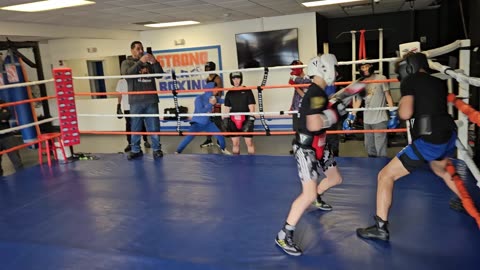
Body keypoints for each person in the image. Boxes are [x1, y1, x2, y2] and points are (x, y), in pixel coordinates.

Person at [356, 52, 460, 241]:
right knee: (441, 169)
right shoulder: (438, 82)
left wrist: (400, 108)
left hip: (430, 139)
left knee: (385, 175)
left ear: (408, 67)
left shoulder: (410, 81)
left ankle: (380, 227)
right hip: (449, 133)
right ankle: (464, 199)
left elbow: (405, 113)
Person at [275, 54, 363, 256]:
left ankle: (316, 197)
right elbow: (314, 123)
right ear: (325, 69)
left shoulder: (320, 93)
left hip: (320, 147)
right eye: (335, 67)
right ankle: (283, 234)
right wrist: (337, 113)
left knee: (335, 178)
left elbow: (331, 103)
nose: (337, 71)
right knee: (307, 193)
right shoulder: (315, 93)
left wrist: (349, 94)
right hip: (307, 150)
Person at [121, 41, 164, 160]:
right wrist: (140, 62)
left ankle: (156, 149)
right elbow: (127, 74)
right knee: (135, 126)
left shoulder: (149, 64)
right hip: (136, 100)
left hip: (151, 99)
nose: (140, 51)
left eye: (142, 49)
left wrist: (154, 62)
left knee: (154, 126)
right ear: (132, 50)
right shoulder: (126, 62)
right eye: (138, 49)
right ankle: (135, 149)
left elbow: (160, 75)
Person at [344, 62, 397, 157]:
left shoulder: (381, 78)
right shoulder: (361, 83)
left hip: (380, 119)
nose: (365, 69)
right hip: (367, 120)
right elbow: (358, 102)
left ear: (371, 66)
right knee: (369, 148)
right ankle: (372, 169)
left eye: (367, 66)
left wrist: (393, 114)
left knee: (380, 148)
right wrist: (350, 117)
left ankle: (382, 169)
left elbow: (388, 95)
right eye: (362, 67)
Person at [175, 84, 230, 155]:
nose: (217, 90)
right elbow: (200, 111)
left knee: (220, 136)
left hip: (208, 123)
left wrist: (233, 98)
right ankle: (177, 151)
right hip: (197, 123)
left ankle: (223, 149)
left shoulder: (214, 98)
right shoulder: (199, 98)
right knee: (188, 138)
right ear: (210, 89)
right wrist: (210, 104)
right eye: (215, 89)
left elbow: (225, 101)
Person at [223, 72, 256, 155]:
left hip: (246, 119)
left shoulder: (247, 91)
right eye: (234, 79)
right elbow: (227, 108)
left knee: (249, 142)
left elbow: (251, 107)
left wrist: (250, 120)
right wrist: (225, 121)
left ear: (241, 79)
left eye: (238, 78)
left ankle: (251, 162)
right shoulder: (229, 93)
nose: (236, 81)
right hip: (233, 120)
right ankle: (236, 163)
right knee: (235, 143)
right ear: (231, 80)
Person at [116, 78, 150, 152]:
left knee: (141, 123)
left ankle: (145, 140)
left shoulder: (135, 79)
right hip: (127, 107)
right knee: (128, 125)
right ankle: (130, 143)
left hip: (137, 105)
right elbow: (119, 94)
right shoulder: (121, 82)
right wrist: (118, 106)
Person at [200, 61, 224, 148]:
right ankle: (209, 140)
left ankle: (219, 140)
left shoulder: (217, 78)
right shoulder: (207, 79)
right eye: (206, 67)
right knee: (207, 120)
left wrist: (215, 100)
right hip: (208, 102)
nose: (207, 69)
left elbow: (220, 91)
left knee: (217, 121)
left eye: (208, 68)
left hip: (215, 101)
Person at [288, 60, 309, 154]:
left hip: (304, 108)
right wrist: (291, 106)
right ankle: (297, 148)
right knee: (296, 129)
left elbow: (304, 95)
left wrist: (295, 86)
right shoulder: (295, 79)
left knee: (304, 129)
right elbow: (295, 94)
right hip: (296, 107)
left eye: (295, 67)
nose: (294, 70)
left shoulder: (307, 79)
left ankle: (304, 147)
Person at [0, 100, 23, 176]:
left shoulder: (1, 102)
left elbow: (6, 115)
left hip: (7, 136)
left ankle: (23, 178)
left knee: (17, 161)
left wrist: (3, 116)